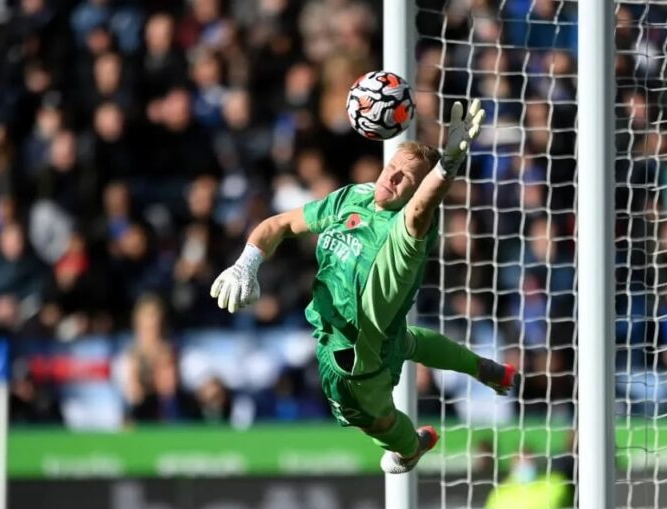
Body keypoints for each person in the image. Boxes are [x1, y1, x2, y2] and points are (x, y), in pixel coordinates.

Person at [211, 100, 520, 473]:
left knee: (375, 422)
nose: (392, 178)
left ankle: (411, 448)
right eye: (392, 168)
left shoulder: (408, 232)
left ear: (417, 191)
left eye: (405, 179)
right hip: (381, 333)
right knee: (405, 341)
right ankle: (479, 366)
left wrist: (447, 165)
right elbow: (280, 224)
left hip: (353, 360)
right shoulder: (354, 197)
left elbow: (421, 209)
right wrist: (246, 264)